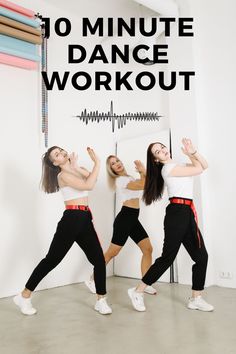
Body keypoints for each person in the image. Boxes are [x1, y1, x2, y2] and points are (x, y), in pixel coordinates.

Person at [13, 146, 112, 315]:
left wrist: (76, 166)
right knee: (52, 260)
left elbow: (91, 179)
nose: (62, 153)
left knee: (98, 260)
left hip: (85, 218)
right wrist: (97, 162)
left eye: (61, 151)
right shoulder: (63, 175)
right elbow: (89, 185)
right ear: (54, 163)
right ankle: (24, 295)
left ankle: (101, 300)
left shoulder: (73, 170)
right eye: (56, 155)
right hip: (71, 219)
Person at [128, 138, 214, 312]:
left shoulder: (179, 164)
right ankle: (138, 291)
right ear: (156, 160)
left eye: (162, 147)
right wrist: (191, 154)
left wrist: (193, 152)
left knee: (201, 256)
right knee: (168, 257)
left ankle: (196, 298)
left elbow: (204, 165)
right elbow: (198, 168)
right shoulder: (168, 168)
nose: (163, 150)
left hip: (187, 212)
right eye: (158, 151)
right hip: (176, 213)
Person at [85, 155, 156, 295]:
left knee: (147, 249)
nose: (116, 164)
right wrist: (143, 171)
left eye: (117, 161)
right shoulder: (120, 180)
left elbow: (145, 184)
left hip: (133, 219)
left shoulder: (129, 177)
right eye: (112, 164)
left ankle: (145, 283)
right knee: (112, 253)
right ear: (111, 169)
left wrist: (142, 172)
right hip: (124, 219)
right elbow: (144, 184)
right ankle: (92, 279)